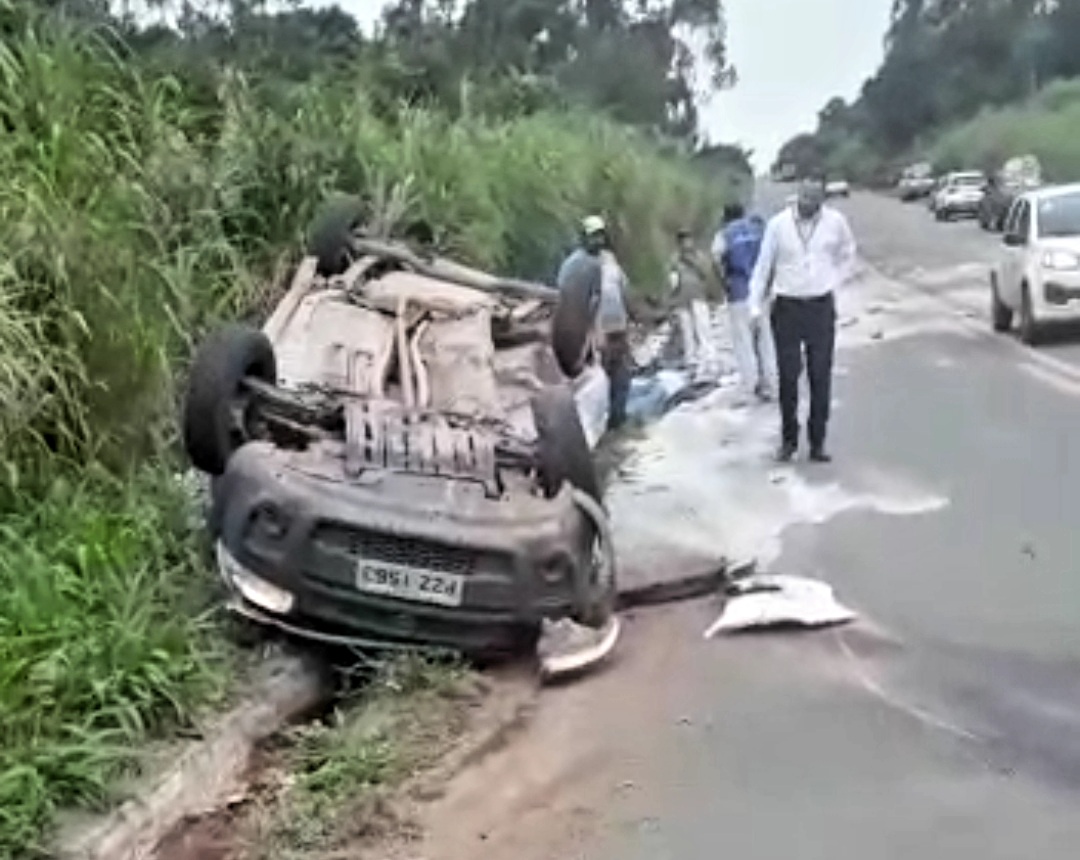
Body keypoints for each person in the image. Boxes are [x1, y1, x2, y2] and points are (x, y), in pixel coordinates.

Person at [748, 179, 856, 463]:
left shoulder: (835, 222)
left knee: (820, 376)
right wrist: (754, 306)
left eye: (815, 201)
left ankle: (818, 442)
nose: (810, 205)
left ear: (822, 200)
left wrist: (835, 280)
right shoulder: (778, 225)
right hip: (787, 306)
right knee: (788, 376)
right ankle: (789, 441)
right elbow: (763, 267)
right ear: (798, 197)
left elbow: (848, 252)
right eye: (806, 199)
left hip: (820, 306)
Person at [557, 215, 632, 431]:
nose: (597, 240)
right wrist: (586, 332)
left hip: (618, 328)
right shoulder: (575, 265)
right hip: (593, 332)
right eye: (593, 236)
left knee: (621, 378)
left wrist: (629, 321)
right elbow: (569, 300)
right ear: (584, 237)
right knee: (597, 381)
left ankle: (618, 423)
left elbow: (623, 290)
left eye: (600, 235)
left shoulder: (610, 261)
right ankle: (597, 428)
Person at [711, 203, 777, 402]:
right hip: (761, 294)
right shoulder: (758, 230)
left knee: (744, 342)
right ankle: (771, 384)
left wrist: (724, 283)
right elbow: (772, 258)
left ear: (726, 216)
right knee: (766, 339)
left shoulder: (725, 234)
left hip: (739, 293)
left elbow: (715, 259)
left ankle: (750, 386)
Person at [668, 228, 716, 381]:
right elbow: (672, 280)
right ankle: (692, 363)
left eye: (688, 239)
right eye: (682, 240)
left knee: (703, 330)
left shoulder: (699, 256)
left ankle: (710, 361)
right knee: (687, 332)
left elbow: (706, 273)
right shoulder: (674, 259)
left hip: (698, 297)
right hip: (682, 300)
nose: (686, 243)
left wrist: (691, 261)